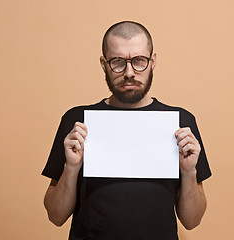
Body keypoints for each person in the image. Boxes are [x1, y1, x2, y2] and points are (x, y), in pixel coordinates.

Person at [42, 21, 211, 240]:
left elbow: (192, 221)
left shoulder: (181, 122)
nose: (129, 72)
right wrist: (71, 167)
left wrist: (189, 173)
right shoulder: (77, 121)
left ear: (153, 62)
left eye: (139, 60)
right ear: (104, 64)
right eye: (118, 62)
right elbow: (56, 216)